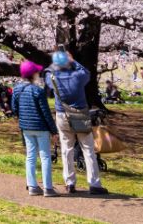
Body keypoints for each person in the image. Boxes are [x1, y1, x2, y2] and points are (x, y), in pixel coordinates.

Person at [46, 50, 108, 196]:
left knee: (67, 149)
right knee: (88, 149)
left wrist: (57, 61)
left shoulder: (53, 77)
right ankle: (94, 183)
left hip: (62, 115)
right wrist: (72, 60)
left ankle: (70, 182)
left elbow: (48, 71)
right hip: (79, 114)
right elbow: (87, 72)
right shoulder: (78, 76)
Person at [11, 60, 60, 197]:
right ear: (33, 74)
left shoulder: (17, 90)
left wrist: (23, 118)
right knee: (45, 157)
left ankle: (32, 185)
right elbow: (46, 113)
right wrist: (54, 131)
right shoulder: (38, 91)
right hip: (41, 128)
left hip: (26, 127)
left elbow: (14, 109)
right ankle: (48, 187)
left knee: (30, 156)